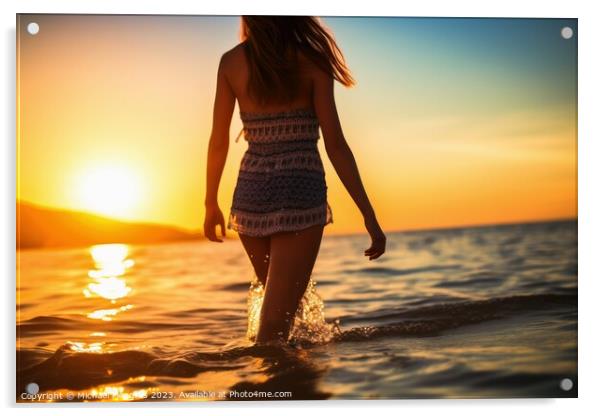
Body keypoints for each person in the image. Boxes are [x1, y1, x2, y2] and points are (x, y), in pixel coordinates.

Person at [204, 16, 386, 345]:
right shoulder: (312, 59)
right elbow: (336, 145)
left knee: (282, 309)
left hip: (251, 197)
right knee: (275, 326)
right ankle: (275, 390)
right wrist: (368, 214)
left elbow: (218, 140)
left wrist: (210, 202)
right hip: (299, 191)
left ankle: (295, 379)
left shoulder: (231, 62)